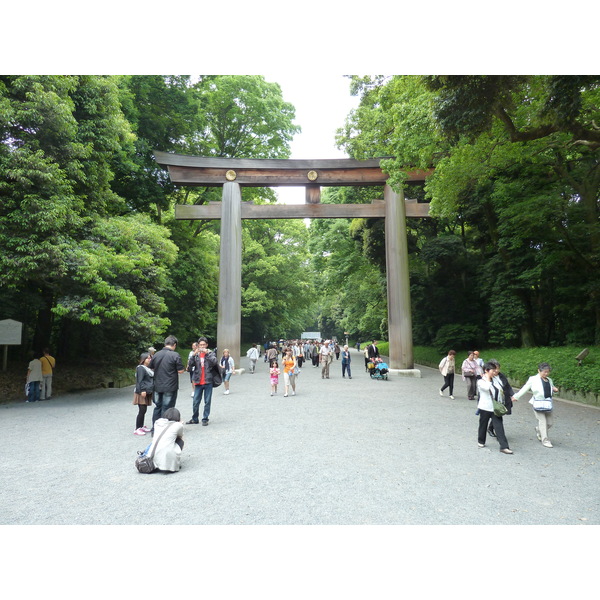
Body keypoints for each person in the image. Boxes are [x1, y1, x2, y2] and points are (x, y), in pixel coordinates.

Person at [513, 362, 559, 448]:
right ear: (539, 371)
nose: (546, 373)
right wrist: (516, 396)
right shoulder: (533, 379)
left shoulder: (549, 380)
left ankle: (538, 430)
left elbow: (550, 389)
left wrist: (555, 390)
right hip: (538, 403)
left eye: (548, 372)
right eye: (544, 372)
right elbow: (525, 388)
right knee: (543, 421)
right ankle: (545, 440)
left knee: (550, 423)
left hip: (548, 404)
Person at [476, 362, 514, 454]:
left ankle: (504, 447)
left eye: (495, 370)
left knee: (499, 426)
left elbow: (502, 389)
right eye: (493, 370)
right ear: (486, 370)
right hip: (485, 407)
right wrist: (488, 378)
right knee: (483, 425)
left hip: (495, 408)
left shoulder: (497, 379)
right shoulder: (481, 381)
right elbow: (486, 388)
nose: (495, 372)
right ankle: (481, 441)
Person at [149, 335, 185, 429]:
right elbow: (181, 370)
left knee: (157, 407)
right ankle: (165, 428)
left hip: (157, 385)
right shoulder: (175, 355)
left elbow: (151, 367)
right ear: (174, 345)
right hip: (170, 385)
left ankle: (155, 428)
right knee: (167, 407)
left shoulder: (156, 354)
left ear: (165, 343)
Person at [187, 337, 218, 425]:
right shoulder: (195, 355)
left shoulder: (211, 353)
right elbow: (189, 366)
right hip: (198, 381)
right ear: (198, 345)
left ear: (207, 345)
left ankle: (205, 418)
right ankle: (195, 418)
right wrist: (193, 355)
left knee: (207, 401)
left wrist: (207, 354)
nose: (202, 346)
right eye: (200, 345)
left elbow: (214, 362)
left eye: (204, 345)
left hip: (208, 380)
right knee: (195, 401)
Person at [148, 407, 184, 472]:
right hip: (168, 461)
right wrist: (180, 424)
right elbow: (180, 436)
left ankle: (157, 461)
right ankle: (173, 461)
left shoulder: (157, 423)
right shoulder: (178, 425)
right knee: (180, 441)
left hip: (152, 455)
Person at [486, 359, 516, 438]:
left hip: (503, 399)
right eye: (494, 369)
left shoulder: (502, 376)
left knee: (499, 413)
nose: (496, 370)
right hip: (493, 400)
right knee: (496, 415)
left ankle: (490, 428)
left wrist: (512, 395)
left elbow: (507, 386)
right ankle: (497, 434)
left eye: (497, 368)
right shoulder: (487, 377)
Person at [133, 352, 154, 436]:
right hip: (141, 392)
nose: (149, 359)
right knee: (141, 410)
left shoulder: (147, 368)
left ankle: (141, 426)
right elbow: (140, 380)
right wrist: (142, 390)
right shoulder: (141, 368)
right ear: (143, 359)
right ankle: (137, 428)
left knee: (144, 410)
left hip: (146, 391)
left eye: (150, 358)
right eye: (148, 358)